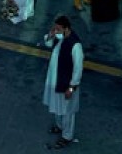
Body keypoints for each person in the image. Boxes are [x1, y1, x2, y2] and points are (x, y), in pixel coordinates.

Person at [42, 15, 84, 150]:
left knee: (67, 112)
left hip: (66, 84)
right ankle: (59, 126)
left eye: (58, 29)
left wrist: (71, 87)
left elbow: (78, 69)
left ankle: (67, 136)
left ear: (66, 29)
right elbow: (47, 43)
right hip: (55, 80)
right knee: (57, 107)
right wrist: (51, 34)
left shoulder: (75, 45)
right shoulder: (59, 38)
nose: (56, 31)